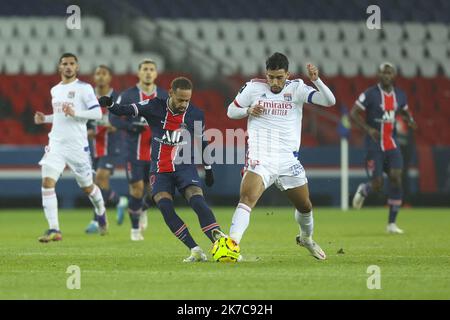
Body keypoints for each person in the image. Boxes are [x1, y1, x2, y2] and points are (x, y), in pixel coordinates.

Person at [222, 52, 335, 260]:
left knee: (305, 206)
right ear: (266, 74)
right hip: (260, 156)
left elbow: (330, 101)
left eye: (279, 77)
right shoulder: (253, 88)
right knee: (247, 198)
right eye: (271, 77)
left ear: (287, 75)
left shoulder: (297, 88)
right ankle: (232, 245)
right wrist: (247, 110)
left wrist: (316, 80)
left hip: (288, 160)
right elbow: (231, 111)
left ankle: (306, 238)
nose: (274, 82)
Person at [99, 77, 218, 262]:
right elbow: (128, 110)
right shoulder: (154, 106)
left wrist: (209, 169)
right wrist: (111, 104)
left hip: (184, 166)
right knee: (164, 206)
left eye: (187, 100)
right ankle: (194, 249)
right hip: (160, 169)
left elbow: (203, 142)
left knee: (197, 201)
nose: (184, 104)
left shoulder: (195, 114)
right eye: (180, 99)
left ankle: (220, 244)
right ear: (170, 93)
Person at [34, 53, 108, 242]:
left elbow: (98, 113)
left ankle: (100, 210)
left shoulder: (84, 88)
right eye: (65, 63)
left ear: (77, 67)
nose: (68, 66)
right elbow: (61, 115)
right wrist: (46, 119)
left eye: (72, 63)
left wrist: (76, 113)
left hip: (77, 146)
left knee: (88, 187)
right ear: (59, 67)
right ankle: (54, 229)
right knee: (47, 182)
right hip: (56, 144)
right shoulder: (55, 90)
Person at [351, 62, 417, 234]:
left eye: (389, 73)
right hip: (374, 144)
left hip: (392, 143)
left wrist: (409, 119)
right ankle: (364, 189)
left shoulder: (400, 95)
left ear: (393, 75)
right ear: (378, 75)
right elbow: (354, 112)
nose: (386, 76)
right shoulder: (370, 94)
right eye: (383, 73)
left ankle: (391, 224)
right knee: (378, 184)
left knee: (396, 178)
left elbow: (404, 110)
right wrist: (368, 129)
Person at [116, 59, 168, 241]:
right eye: (145, 69)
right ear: (138, 73)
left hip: (156, 152)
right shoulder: (128, 95)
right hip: (134, 152)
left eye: (151, 69)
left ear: (156, 73)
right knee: (137, 190)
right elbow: (114, 118)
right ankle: (135, 229)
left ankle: (142, 210)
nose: (148, 72)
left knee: (152, 192)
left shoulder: (162, 95)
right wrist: (131, 127)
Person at [85, 65, 128, 234]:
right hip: (94, 147)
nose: (101, 77)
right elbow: (83, 120)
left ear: (110, 77)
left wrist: (116, 125)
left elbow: (127, 120)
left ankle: (97, 221)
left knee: (101, 178)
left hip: (111, 146)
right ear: (94, 77)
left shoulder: (118, 98)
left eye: (104, 74)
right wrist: (87, 130)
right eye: (98, 73)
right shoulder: (88, 98)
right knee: (95, 185)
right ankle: (118, 201)